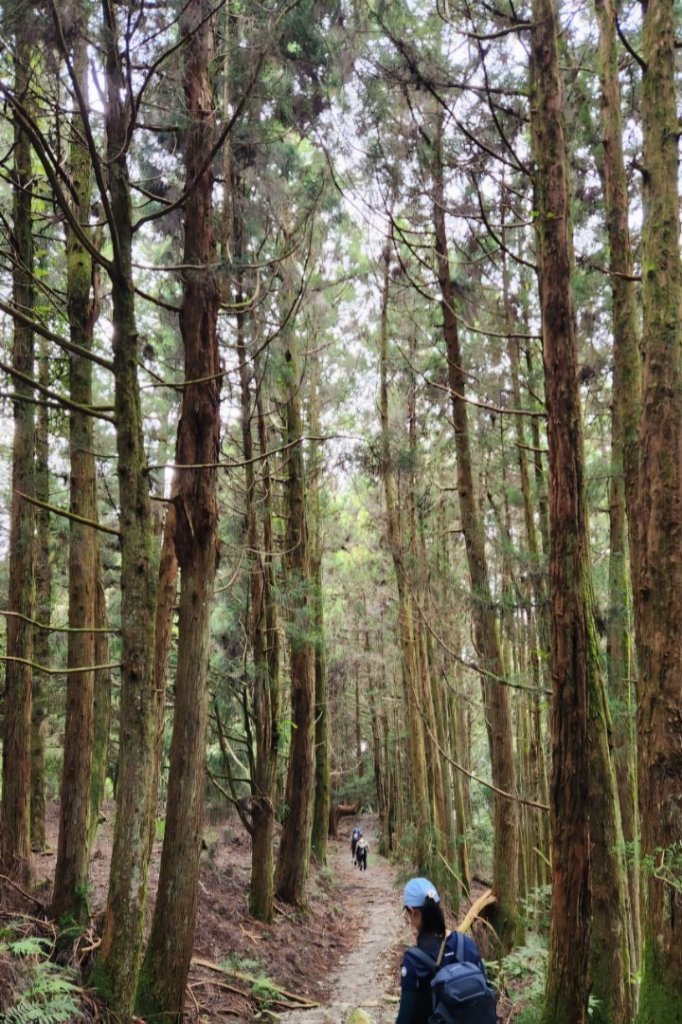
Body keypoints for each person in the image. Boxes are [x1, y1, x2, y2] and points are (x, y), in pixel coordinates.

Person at [396, 877, 488, 1024]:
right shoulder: (466, 944)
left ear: (414, 913)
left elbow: (405, 1018)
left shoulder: (413, 961)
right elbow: (485, 992)